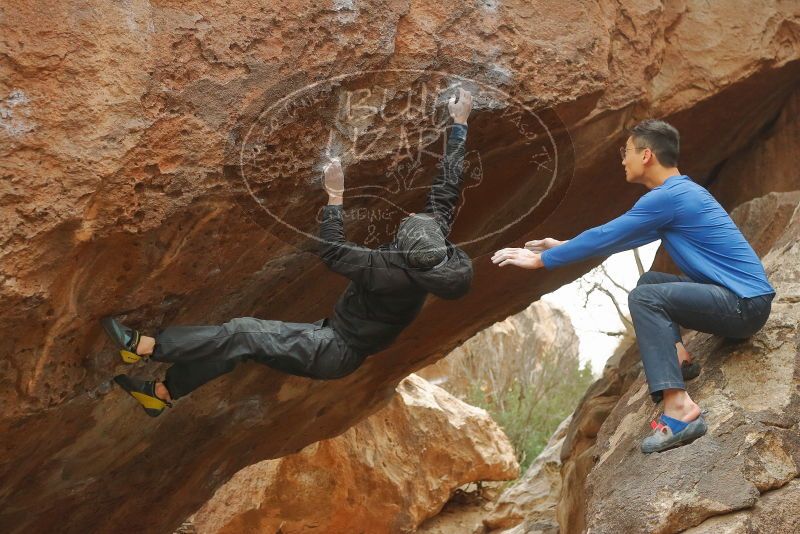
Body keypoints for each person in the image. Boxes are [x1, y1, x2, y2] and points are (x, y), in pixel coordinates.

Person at [104, 89, 475, 417]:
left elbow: (333, 251)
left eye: (406, 225)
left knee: (243, 332)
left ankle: (146, 346)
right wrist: (459, 124)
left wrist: (335, 196)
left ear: (403, 250)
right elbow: (446, 187)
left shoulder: (387, 272)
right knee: (240, 346)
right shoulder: (434, 254)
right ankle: (161, 394)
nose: (410, 215)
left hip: (331, 349)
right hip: (331, 339)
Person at [491, 119, 775, 453]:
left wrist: (541, 261)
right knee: (650, 281)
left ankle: (680, 410)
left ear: (647, 155)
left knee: (645, 297)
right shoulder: (679, 194)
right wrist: (562, 244)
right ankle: (680, 358)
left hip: (744, 306)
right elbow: (620, 238)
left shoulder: (667, 198)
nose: (622, 160)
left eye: (626, 152)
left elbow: (607, 235)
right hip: (742, 301)